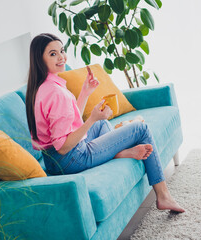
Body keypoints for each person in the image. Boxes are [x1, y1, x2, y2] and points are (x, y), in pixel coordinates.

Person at [25, 33, 185, 213]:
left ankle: (120, 152)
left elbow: (68, 122)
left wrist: (85, 92)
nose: (61, 57)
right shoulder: (56, 92)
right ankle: (163, 195)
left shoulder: (42, 87)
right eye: (53, 54)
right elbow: (62, 146)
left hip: (53, 162)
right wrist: (92, 118)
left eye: (62, 51)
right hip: (71, 159)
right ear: (40, 59)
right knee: (141, 128)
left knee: (101, 126)